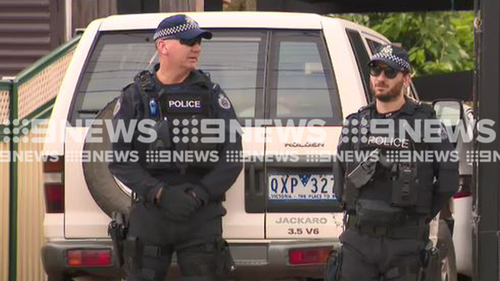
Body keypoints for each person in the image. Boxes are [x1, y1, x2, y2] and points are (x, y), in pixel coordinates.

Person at [108, 14, 243, 281]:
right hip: (151, 215)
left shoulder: (212, 95)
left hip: (200, 215)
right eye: (188, 41)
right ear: (163, 46)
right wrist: (158, 193)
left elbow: (232, 157)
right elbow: (120, 159)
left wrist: (199, 194)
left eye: (199, 42)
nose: (196, 48)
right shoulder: (135, 96)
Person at [332, 44, 458, 281]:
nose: (381, 78)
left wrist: (419, 216)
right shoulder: (355, 123)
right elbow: (339, 176)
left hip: (405, 245)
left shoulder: (427, 124)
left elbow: (449, 181)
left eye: (390, 72)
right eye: (375, 70)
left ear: (406, 79)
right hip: (358, 243)